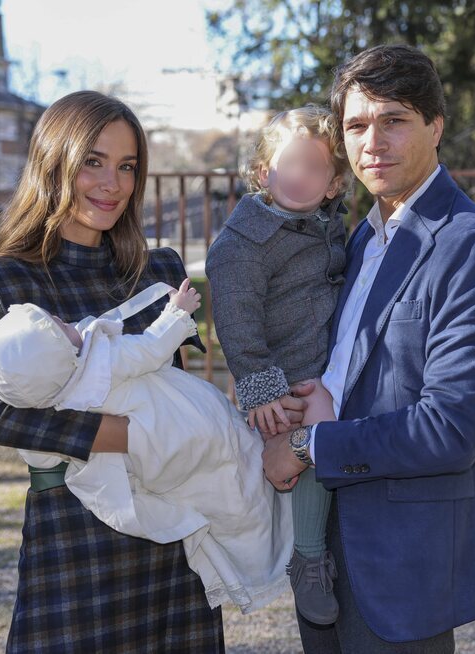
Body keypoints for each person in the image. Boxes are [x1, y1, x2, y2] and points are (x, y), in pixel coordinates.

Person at [260, 44, 475, 653]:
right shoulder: (360, 239)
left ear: (436, 126)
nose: (371, 141)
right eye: (356, 125)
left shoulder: (472, 244)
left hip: (402, 560)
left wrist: (306, 446)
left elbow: (449, 429)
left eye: (394, 120)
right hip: (322, 548)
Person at [0, 91, 225, 652]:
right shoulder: (8, 277)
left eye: (127, 167)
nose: (113, 183)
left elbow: (166, 388)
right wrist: (129, 434)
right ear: (55, 162)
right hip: (72, 536)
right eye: (92, 162)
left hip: (171, 525)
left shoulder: (157, 271)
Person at [0, 279, 292, 614]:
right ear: (59, 356)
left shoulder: (59, 397)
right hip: (195, 424)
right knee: (243, 480)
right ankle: (284, 544)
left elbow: (41, 457)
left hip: (162, 465)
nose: (65, 320)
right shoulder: (100, 363)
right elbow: (151, 348)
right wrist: (177, 312)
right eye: (60, 327)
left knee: (219, 501)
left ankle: (252, 562)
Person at [206, 105, 348, 625]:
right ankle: (308, 559)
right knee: (315, 431)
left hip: (324, 366)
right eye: (290, 165)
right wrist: (262, 388)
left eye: (315, 169)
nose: (300, 178)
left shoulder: (329, 230)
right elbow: (236, 321)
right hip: (284, 381)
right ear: (264, 173)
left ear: (333, 185)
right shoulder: (244, 243)